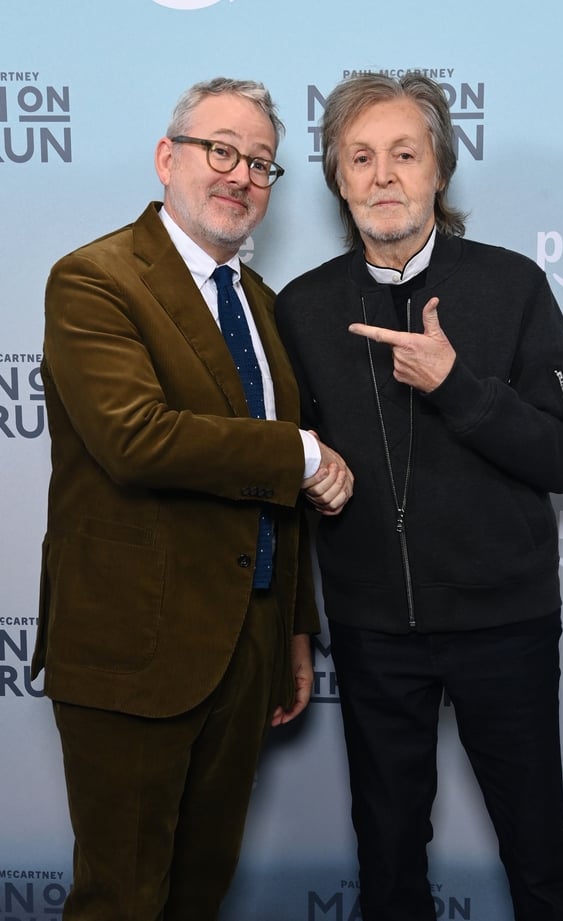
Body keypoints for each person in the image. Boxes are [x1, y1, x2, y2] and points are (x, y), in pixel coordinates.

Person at [275, 72, 563, 921]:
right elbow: (281, 467)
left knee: (539, 858)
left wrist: (459, 384)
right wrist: (311, 473)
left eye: (404, 154)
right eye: (360, 157)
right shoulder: (302, 308)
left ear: (439, 172)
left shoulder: (514, 284)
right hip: (376, 634)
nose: (383, 175)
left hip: (507, 627)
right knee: (387, 867)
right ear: (339, 180)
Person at [32, 77, 353, 921]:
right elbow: (137, 439)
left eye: (259, 162)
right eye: (221, 149)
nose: (241, 174)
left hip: (244, 648)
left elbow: (273, 497)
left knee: (198, 894)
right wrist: (301, 450)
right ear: (167, 157)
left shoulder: (260, 304)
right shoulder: (93, 280)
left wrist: (290, 626)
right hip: (133, 648)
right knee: (123, 900)